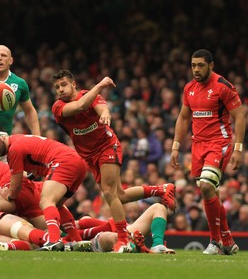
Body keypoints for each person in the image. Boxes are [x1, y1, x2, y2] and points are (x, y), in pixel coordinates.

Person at [51, 70, 175, 252]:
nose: (60, 90)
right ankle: (161, 189)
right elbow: (79, 107)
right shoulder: (58, 108)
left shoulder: (90, 95)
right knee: (120, 196)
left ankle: (123, 239)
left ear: (73, 84)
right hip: (89, 155)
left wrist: (105, 113)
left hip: (107, 146)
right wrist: (100, 84)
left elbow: (101, 106)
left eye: (63, 85)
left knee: (109, 193)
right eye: (57, 87)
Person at [171, 49, 246, 255]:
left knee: (205, 186)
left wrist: (238, 149)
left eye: (200, 65)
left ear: (211, 66)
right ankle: (228, 241)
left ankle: (215, 241)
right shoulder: (189, 88)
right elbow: (183, 118)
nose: (196, 69)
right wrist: (176, 146)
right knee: (210, 192)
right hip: (198, 145)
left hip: (219, 142)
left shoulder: (223, 87)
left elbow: (240, 117)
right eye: (193, 65)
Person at [0, 124, 88, 251]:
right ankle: (76, 240)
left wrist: (9, 194)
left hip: (63, 161)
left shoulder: (13, 149)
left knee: (46, 201)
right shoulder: (20, 141)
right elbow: (36, 168)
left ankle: (54, 241)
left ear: (3, 137)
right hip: (77, 163)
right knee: (58, 204)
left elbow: (15, 189)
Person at [86, 203, 175, 254]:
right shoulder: (83, 223)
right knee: (106, 235)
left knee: (159, 207)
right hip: (101, 239)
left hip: (127, 232)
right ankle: (129, 245)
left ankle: (157, 245)